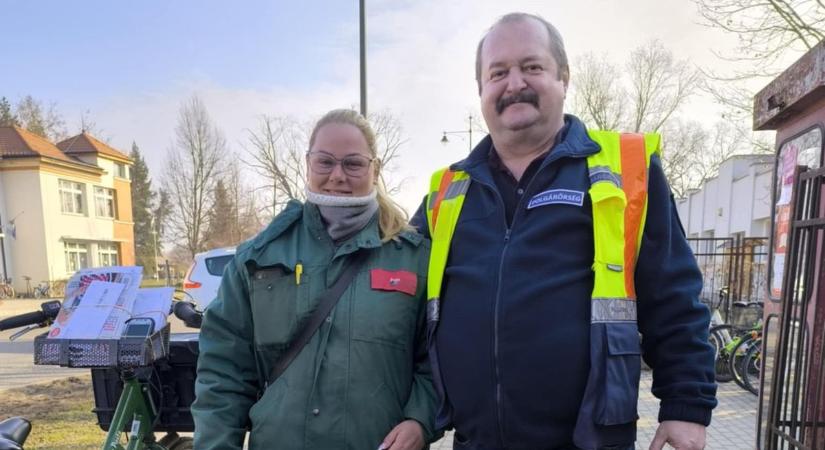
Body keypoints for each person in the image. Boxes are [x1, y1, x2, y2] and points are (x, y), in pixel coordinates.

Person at [412, 13, 717, 450]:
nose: (514, 83)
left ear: (564, 78)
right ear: (481, 90)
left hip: (589, 440)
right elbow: (397, 296)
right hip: (475, 440)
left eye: (531, 67)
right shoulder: (447, 192)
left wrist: (686, 405)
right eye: (498, 73)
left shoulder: (625, 169)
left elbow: (674, 294)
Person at [193, 109, 437, 450]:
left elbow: (439, 358)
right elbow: (223, 371)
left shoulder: (416, 258)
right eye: (325, 162)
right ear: (308, 163)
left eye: (353, 163)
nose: (337, 176)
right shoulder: (258, 257)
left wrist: (421, 419)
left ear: (375, 169)